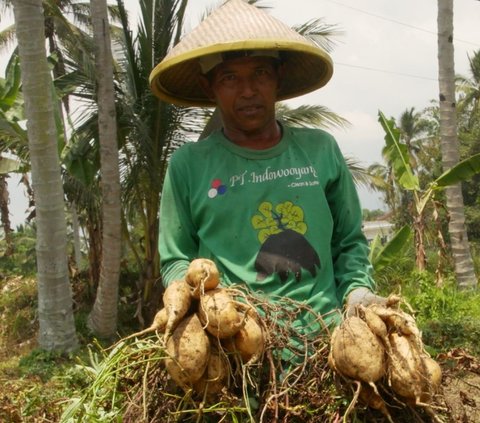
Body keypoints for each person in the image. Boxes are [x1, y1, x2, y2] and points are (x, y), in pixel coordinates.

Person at [149, 0, 385, 341]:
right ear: (208, 87)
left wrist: (358, 292)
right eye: (230, 78)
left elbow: (349, 242)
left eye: (260, 73)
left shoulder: (320, 150)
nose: (248, 91)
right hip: (237, 351)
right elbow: (175, 261)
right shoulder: (189, 165)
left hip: (328, 342)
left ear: (279, 78)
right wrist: (206, 312)